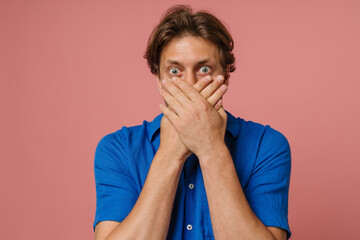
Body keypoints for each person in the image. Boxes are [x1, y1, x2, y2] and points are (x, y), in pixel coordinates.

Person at [93, 5, 291, 240]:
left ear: (225, 75)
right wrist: (170, 153)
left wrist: (210, 147)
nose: (189, 83)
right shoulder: (118, 148)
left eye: (204, 69)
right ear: (158, 79)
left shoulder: (266, 146)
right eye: (175, 71)